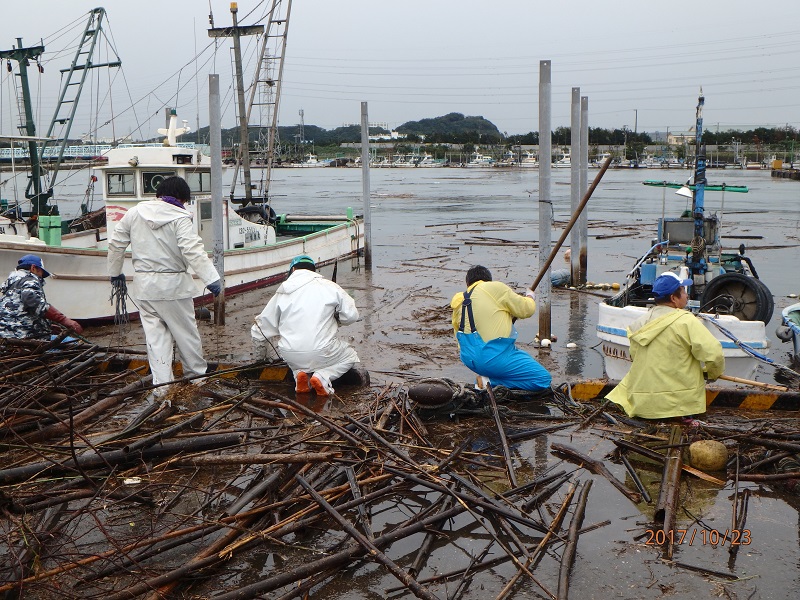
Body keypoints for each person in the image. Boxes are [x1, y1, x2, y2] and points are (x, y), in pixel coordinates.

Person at [107, 176, 221, 394]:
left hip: (145, 288)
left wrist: (115, 273)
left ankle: (162, 387)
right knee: (186, 335)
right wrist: (212, 279)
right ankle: (197, 379)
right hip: (174, 287)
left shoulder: (134, 213)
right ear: (180, 197)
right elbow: (192, 250)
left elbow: (116, 243)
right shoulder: (180, 218)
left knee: (155, 339)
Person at [606, 271, 725, 420]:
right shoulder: (687, 321)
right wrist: (710, 374)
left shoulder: (640, 323)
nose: (687, 296)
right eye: (683, 292)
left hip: (644, 405)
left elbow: (635, 356)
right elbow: (714, 354)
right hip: (678, 406)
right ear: (673, 298)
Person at [251, 255, 360, 396]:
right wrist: (337, 319)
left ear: (293, 270)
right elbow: (351, 316)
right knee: (350, 356)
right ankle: (322, 377)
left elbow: (259, 330)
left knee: (296, 359)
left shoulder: (282, 292)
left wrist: (262, 359)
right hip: (323, 351)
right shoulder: (330, 287)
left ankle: (300, 378)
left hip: (290, 354)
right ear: (313, 271)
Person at [450, 265, 551, 391]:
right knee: (542, 379)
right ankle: (490, 382)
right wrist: (530, 297)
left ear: (468, 283)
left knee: (517, 358)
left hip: (469, 358)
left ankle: (489, 377)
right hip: (492, 357)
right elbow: (526, 310)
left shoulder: (460, 300)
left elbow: (458, 335)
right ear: (488, 280)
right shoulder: (494, 288)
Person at [0, 254, 83, 339]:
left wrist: (47, 325)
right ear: (33, 268)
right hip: (25, 337)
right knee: (72, 342)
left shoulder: (10, 286)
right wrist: (65, 320)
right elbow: (33, 301)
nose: (41, 277)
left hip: (5, 337)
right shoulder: (30, 280)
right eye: (41, 273)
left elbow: (19, 312)